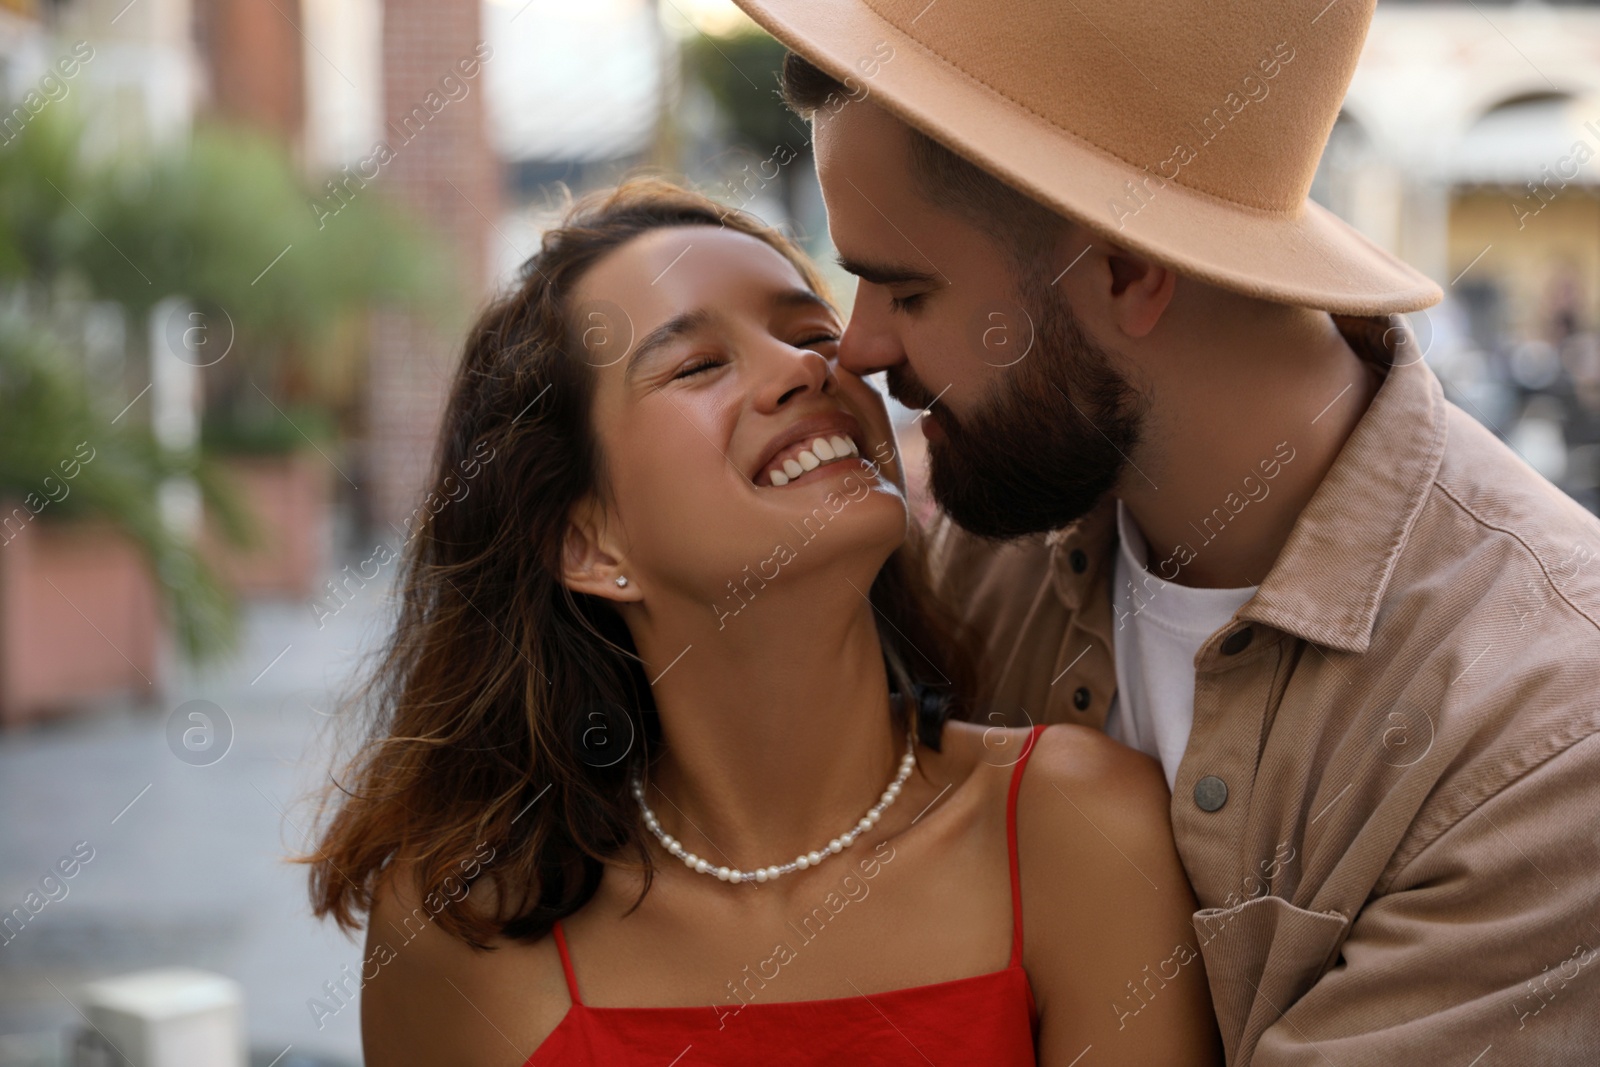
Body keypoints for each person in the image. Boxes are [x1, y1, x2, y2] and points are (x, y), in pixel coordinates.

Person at [727, 0, 1600, 1061]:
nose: (857, 346)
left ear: (1127, 273)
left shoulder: (1544, 728)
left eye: (908, 288)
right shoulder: (987, 550)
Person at [301, 179, 1221, 1065]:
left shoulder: (1078, 829)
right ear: (587, 542)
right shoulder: (461, 923)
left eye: (813, 333)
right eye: (698, 364)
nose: (807, 370)